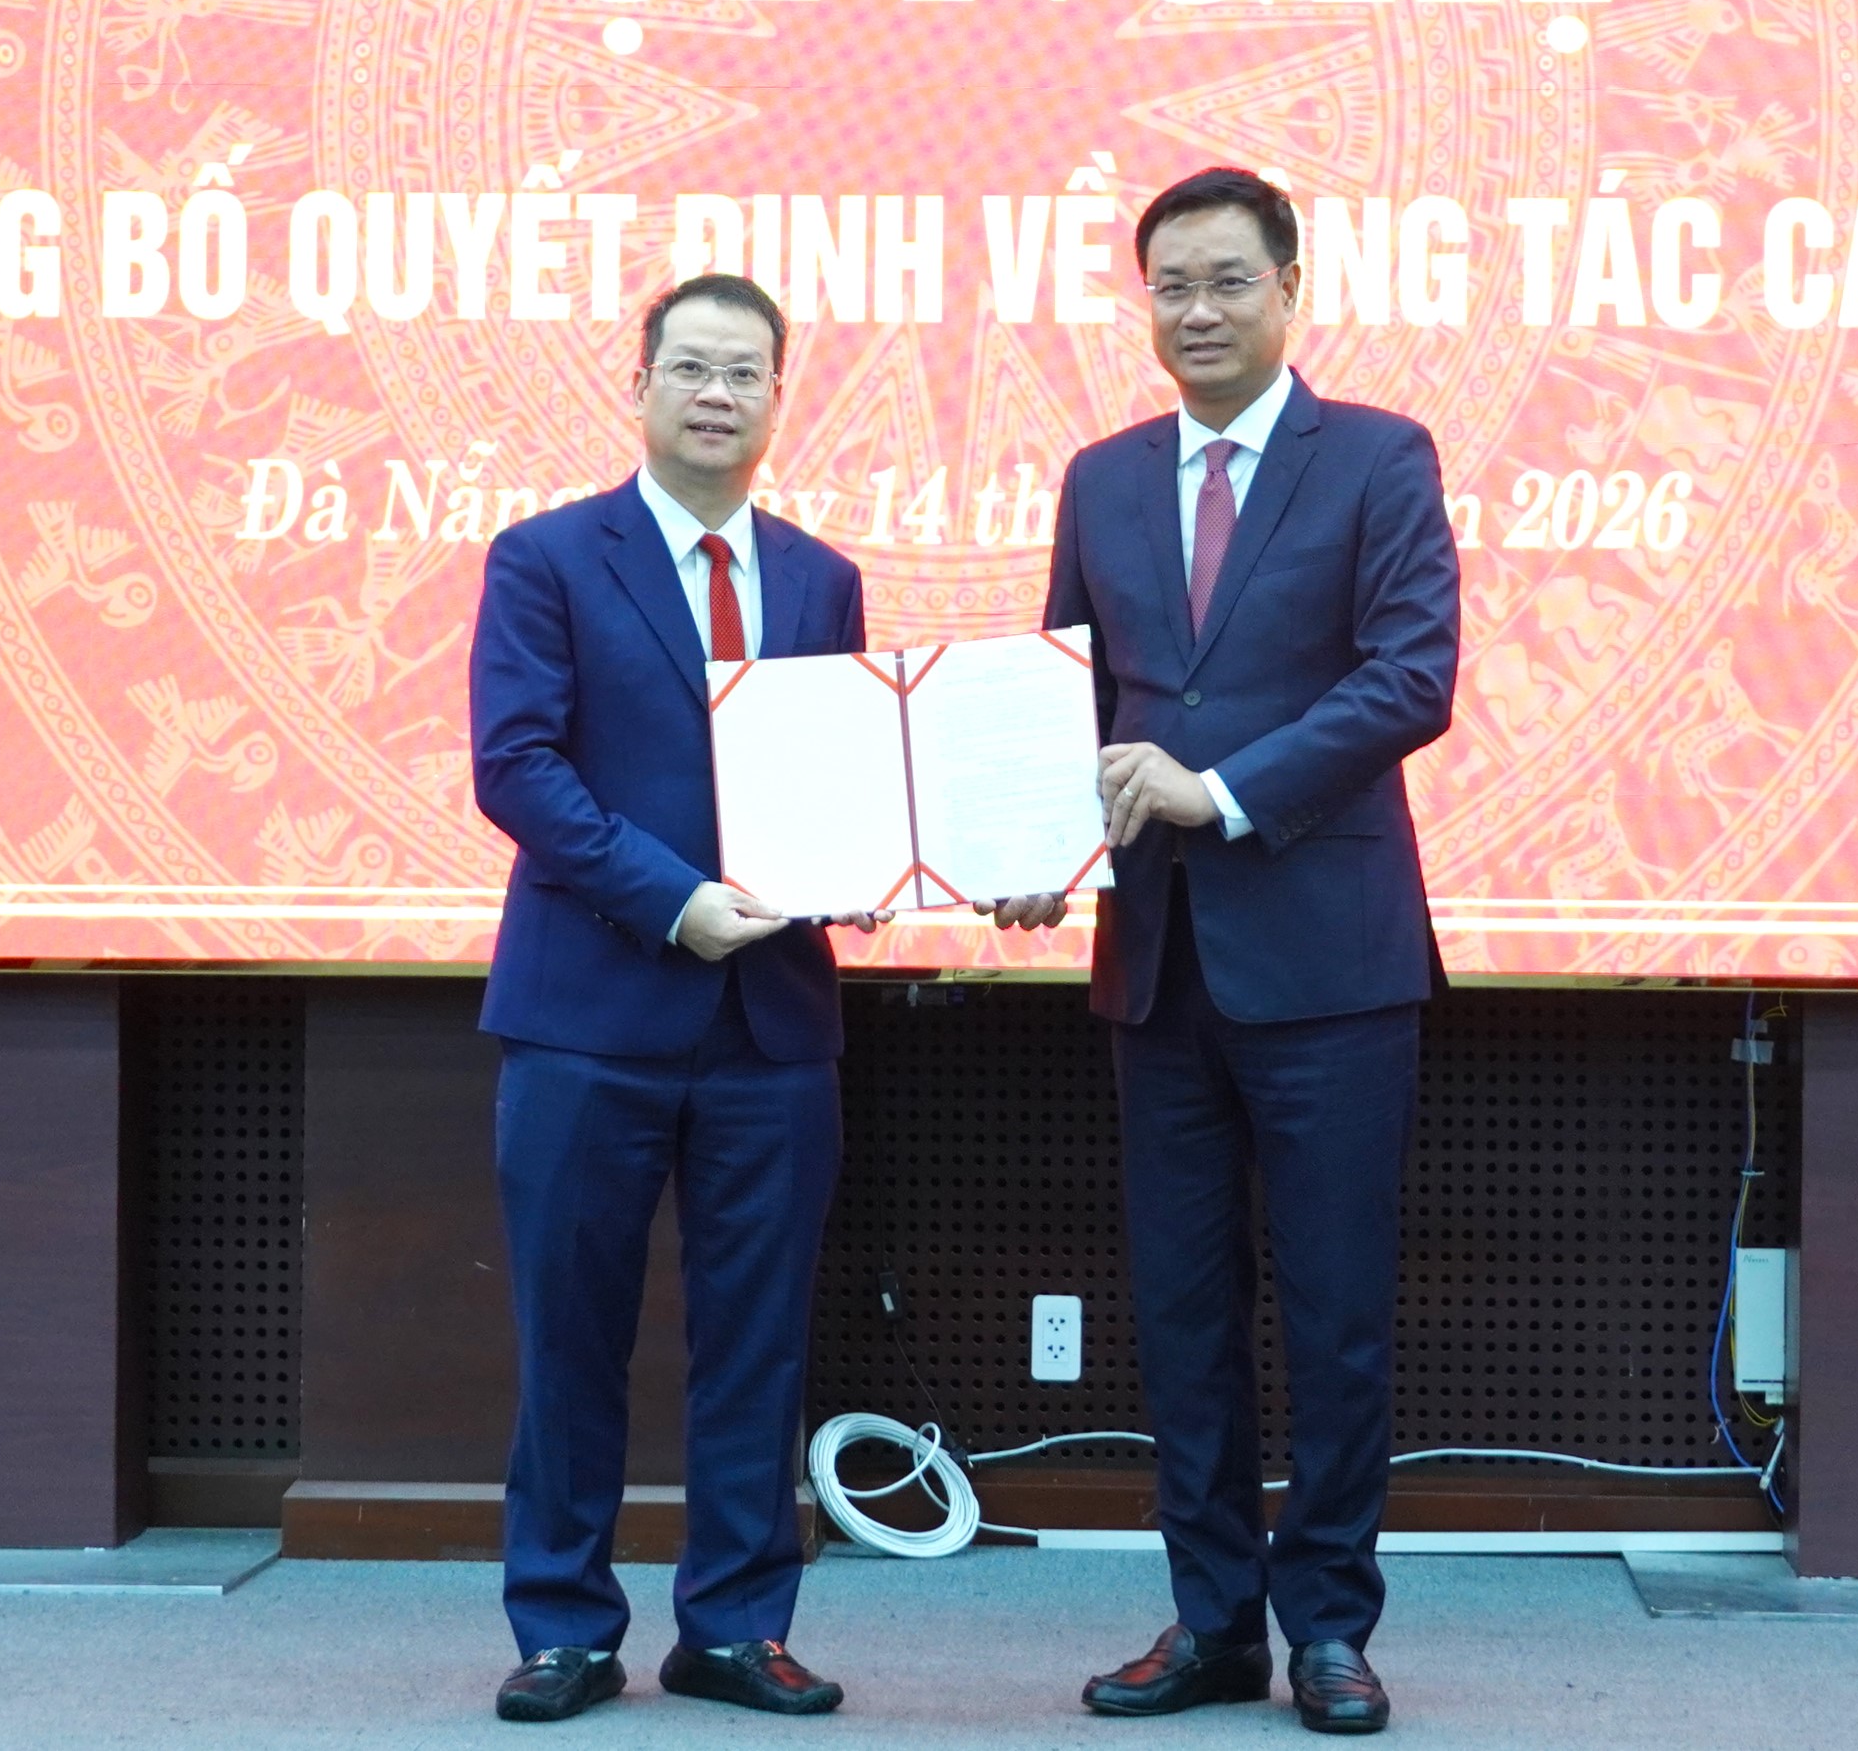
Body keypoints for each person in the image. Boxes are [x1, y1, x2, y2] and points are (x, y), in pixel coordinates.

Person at [983, 167, 1460, 1736]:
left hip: (1328, 966)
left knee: (1331, 1313)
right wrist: (1034, 848)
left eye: (1226, 280)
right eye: (1170, 286)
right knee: (1181, 1313)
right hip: (1158, 963)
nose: (1195, 310)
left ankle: (1327, 1626)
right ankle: (1209, 1623)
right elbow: (1070, 702)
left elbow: (1409, 677)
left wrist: (1223, 789)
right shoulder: (1102, 478)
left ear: (1289, 288)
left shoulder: (1378, 457)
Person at [468, 273, 873, 1723]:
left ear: (777, 397)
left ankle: (736, 1626)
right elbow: (518, 767)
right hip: (588, 1015)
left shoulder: (821, 578)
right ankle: (565, 1626)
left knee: (757, 1342)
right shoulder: (545, 557)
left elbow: (837, 771)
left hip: (774, 1027)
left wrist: (876, 857)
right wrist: (671, 900)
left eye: (744, 372)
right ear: (638, 385)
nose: (717, 394)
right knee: (569, 1335)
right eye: (691, 367)